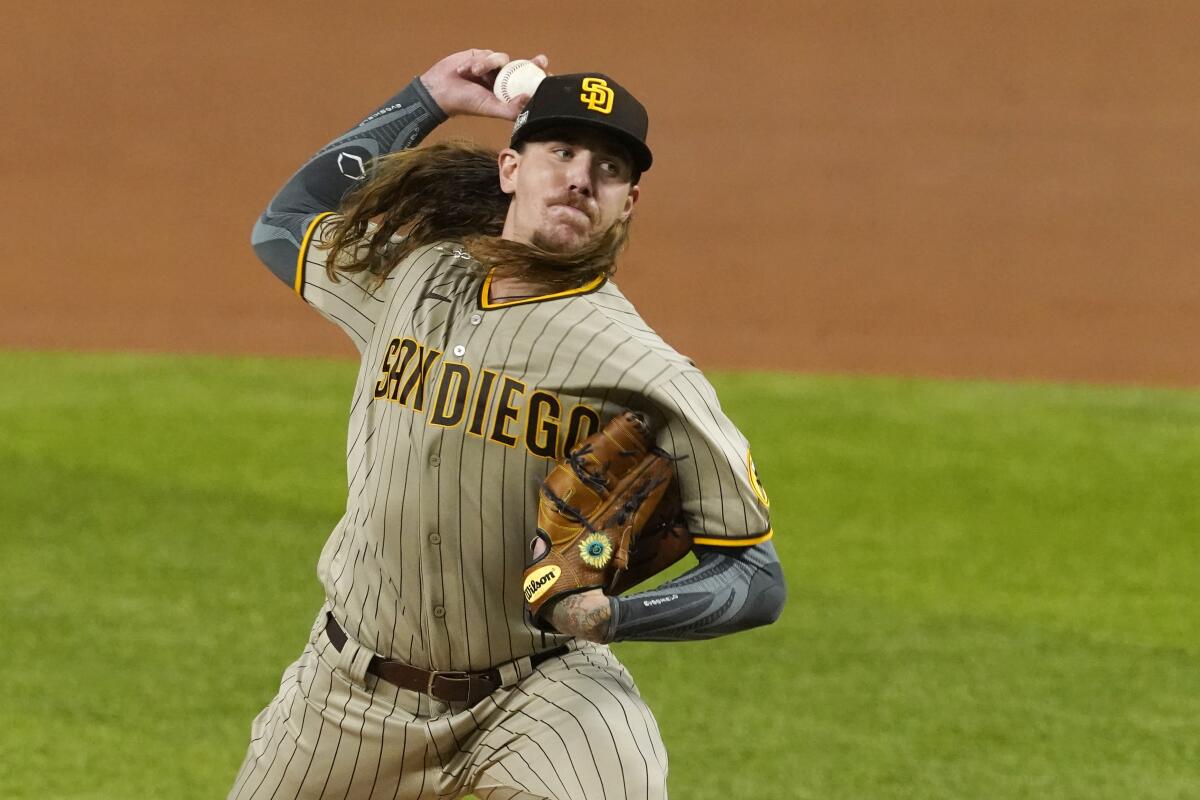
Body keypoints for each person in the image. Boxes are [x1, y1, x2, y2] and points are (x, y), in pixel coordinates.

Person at [230, 49, 786, 800]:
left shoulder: (645, 371)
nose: (582, 176)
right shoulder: (412, 278)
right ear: (511, 169)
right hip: (345, 692)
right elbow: (284, 225)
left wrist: (612, 613)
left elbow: (755, 577)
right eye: (560, 151)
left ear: (629, 204)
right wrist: (423, 97)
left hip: (535, 694)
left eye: (610, 168)